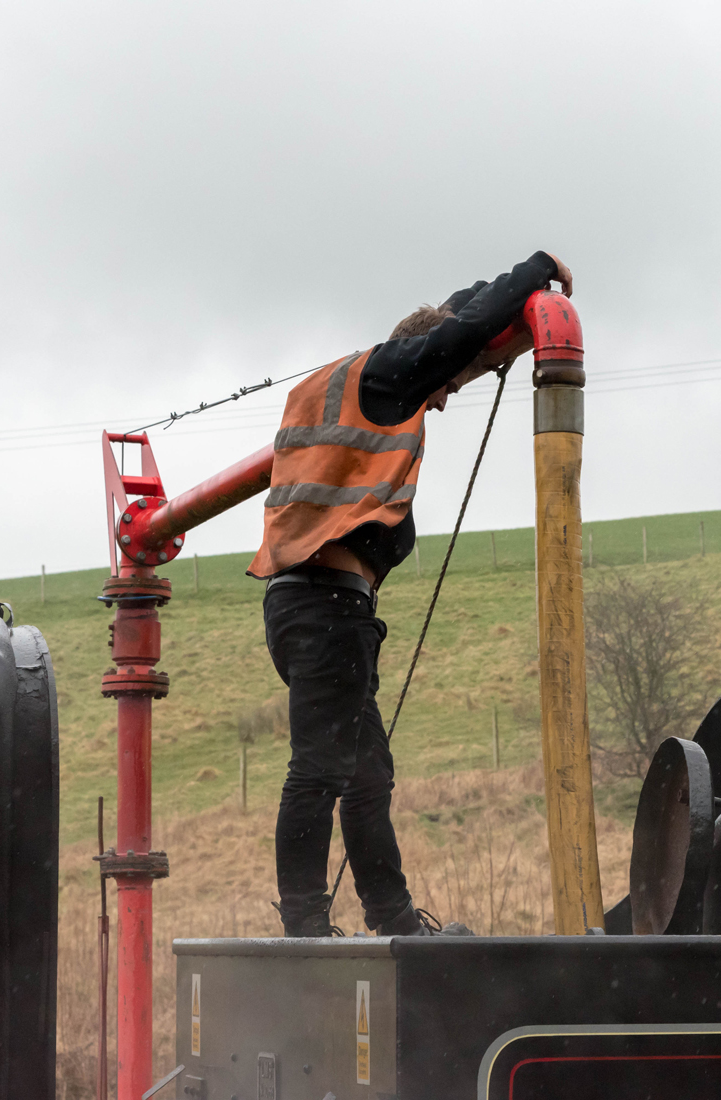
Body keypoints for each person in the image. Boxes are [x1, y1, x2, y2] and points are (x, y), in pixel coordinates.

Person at [249, 251, 575, 937]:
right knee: (321, 768)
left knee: (367, 774)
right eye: (447, 384)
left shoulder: (350, 382)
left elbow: (460, 314)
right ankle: (306, 925)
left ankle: (392, 918)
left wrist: (497, 296)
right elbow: (460, 332)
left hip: (308, 605)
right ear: (422, 359)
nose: (446, 397)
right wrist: (537, 268)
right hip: (326, 607)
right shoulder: (394, 377)